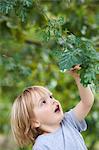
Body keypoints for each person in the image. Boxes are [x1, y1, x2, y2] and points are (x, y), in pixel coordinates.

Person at [11, 65, 94, 150]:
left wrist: (78, 77)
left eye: (51, 97)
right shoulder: (42, 145)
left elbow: (87, 102)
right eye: (43, 102)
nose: (52, 101)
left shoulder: (69, 121)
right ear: (34, 122)